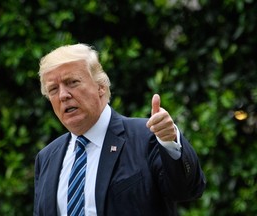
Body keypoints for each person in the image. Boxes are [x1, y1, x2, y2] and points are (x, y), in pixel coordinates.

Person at [34, 43, 206, 216]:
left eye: (72, 82)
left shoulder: (147, 137)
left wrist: (169, 141)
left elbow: (187, 190)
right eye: (53, 89)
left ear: (100, 86)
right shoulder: (47, 158)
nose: (63, 95)